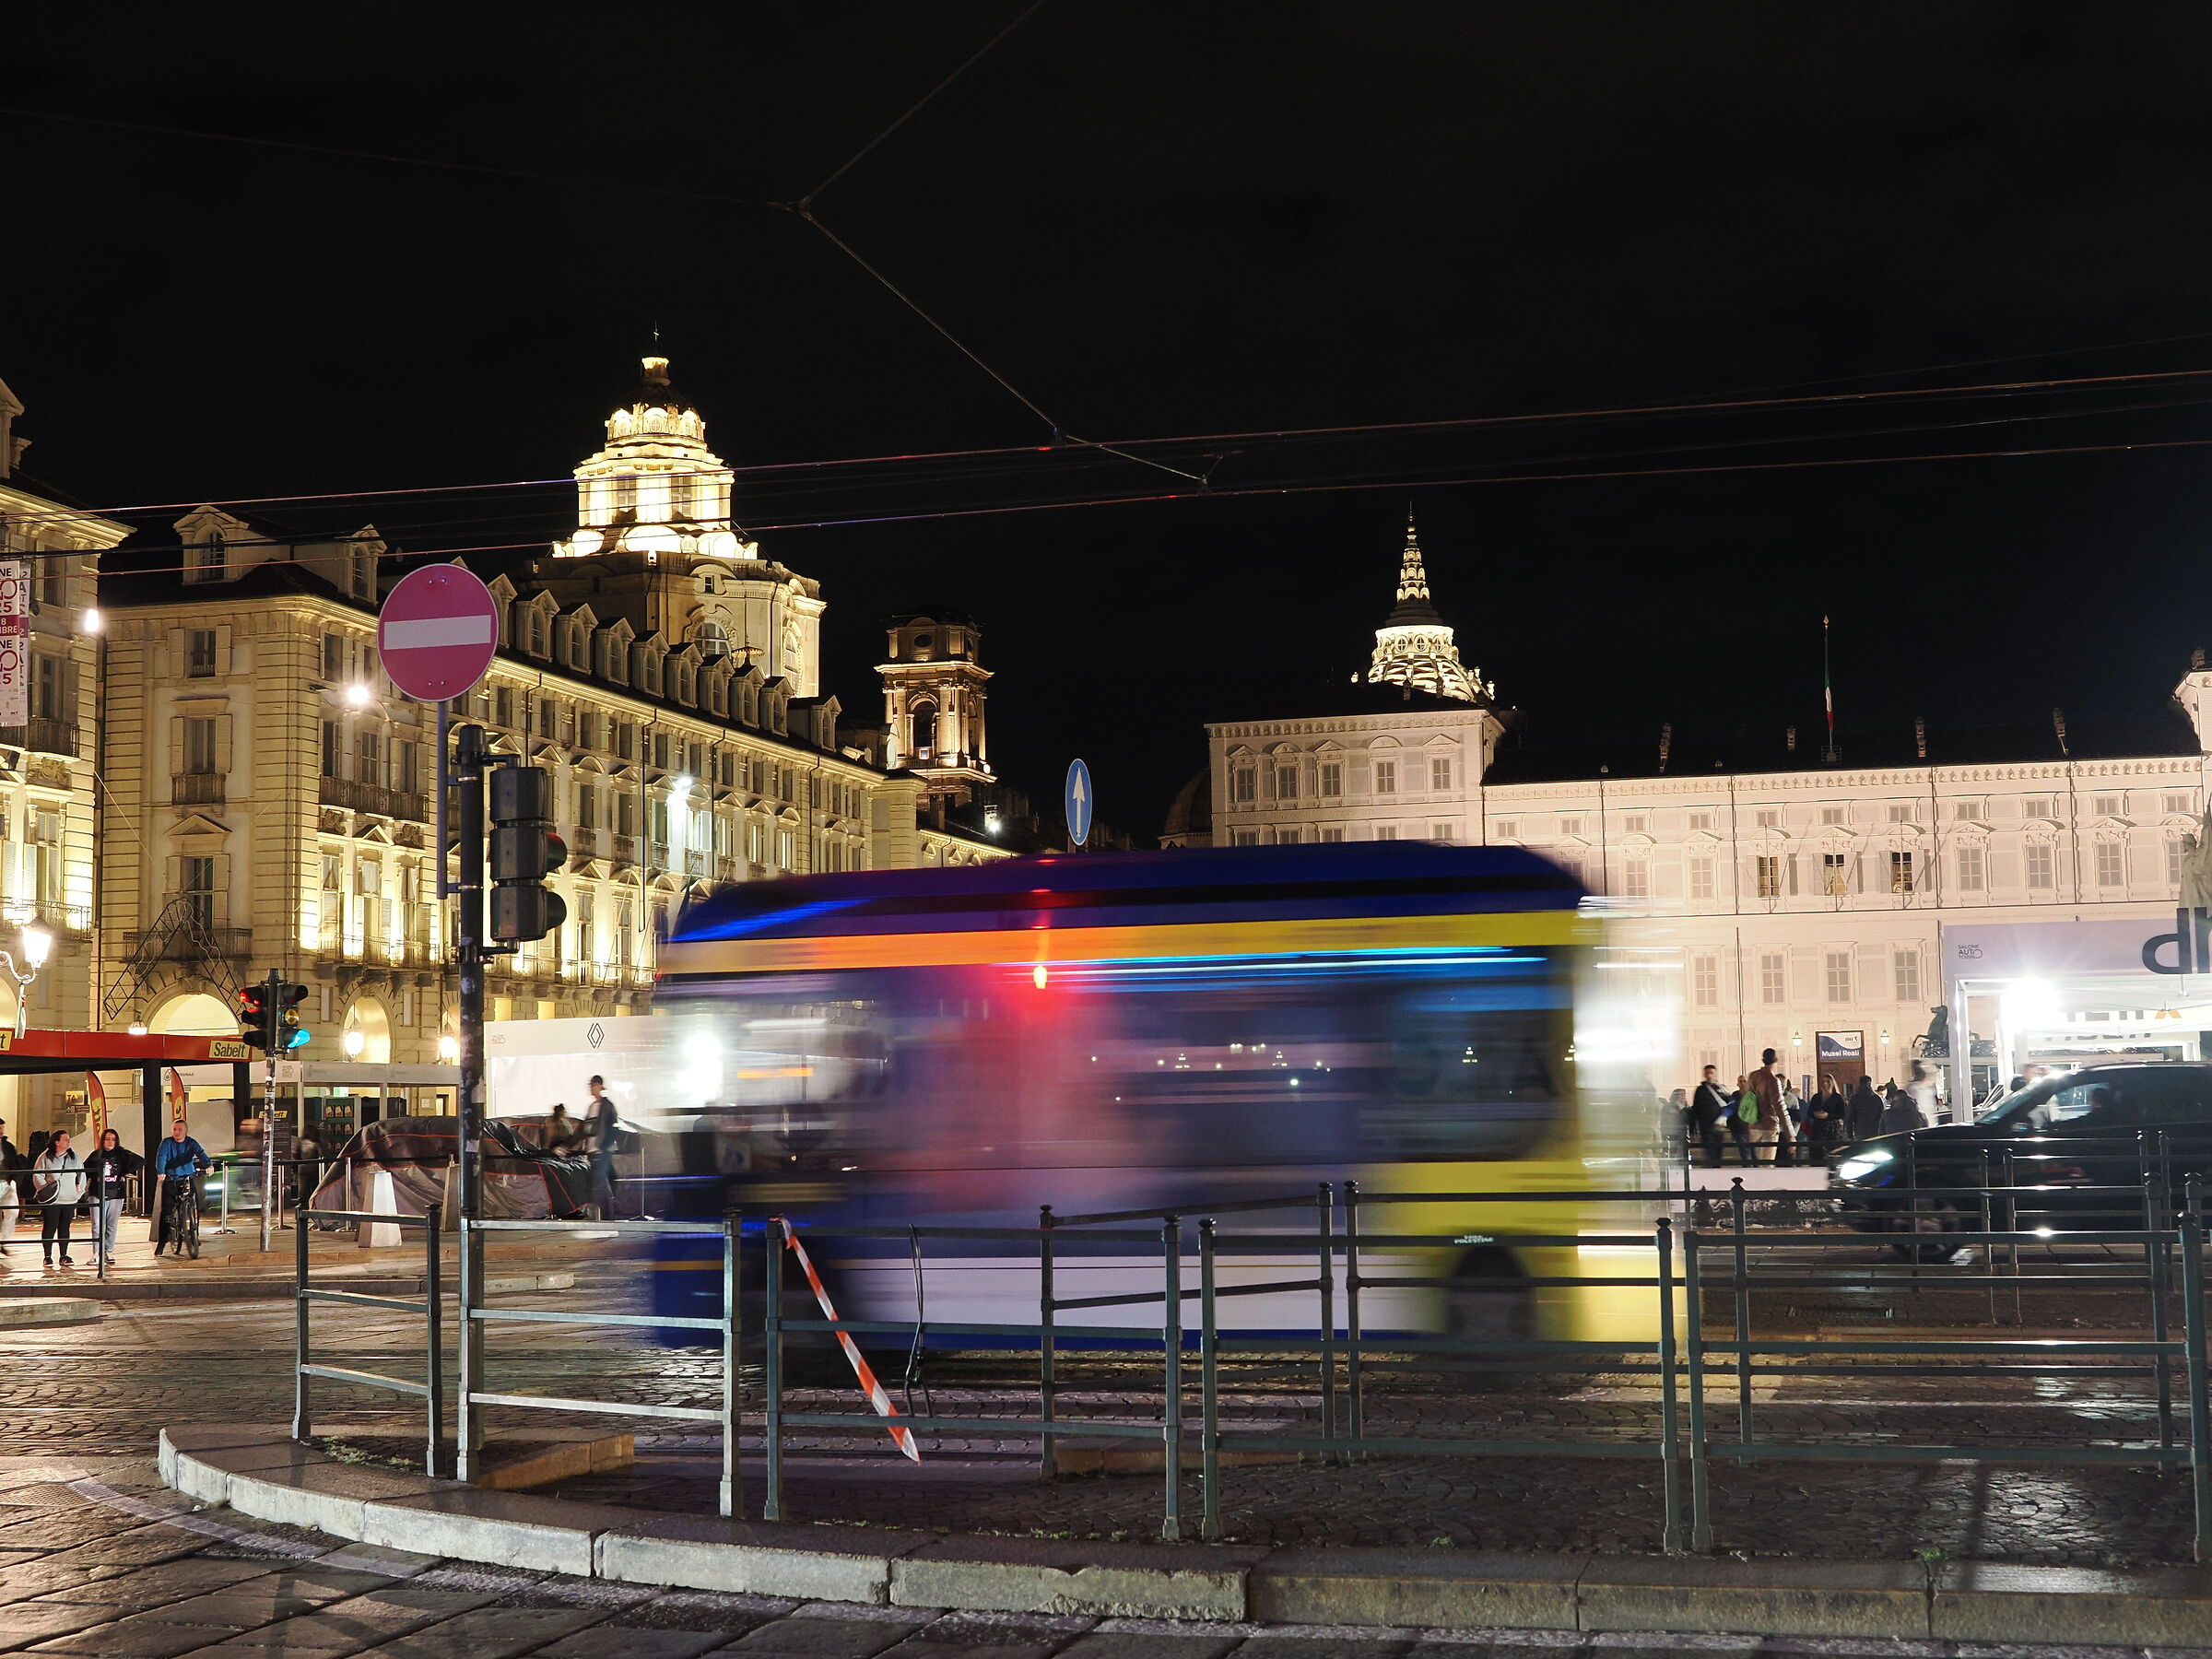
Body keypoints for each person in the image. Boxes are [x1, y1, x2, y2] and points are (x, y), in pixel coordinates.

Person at [81, 1129, 143, 1264]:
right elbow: (85, 1170)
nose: (110, 1142)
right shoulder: (96, 1155)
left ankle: (108, 1251)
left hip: (116, 1194)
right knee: (97, 1224)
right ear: (102, 1140)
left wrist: (124, 1172)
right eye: (107, 1139)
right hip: (97, 1193)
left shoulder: (122, 1154)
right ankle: (96, 1252)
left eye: (113, 1139)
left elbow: (140, 1161)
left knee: (111, 1224)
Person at [152, 1118, 210, 1259]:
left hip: (187, 1177)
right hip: (171, 1179)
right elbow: (162, 1157)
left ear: (186, 1131)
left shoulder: (191, 1142)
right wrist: (161, 1172)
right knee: (166, 1212)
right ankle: (162, 1242)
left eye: (180, 1130)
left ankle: (194, 1234)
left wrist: (208, 1165)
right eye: (174, 1129)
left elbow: (200, 1153)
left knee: (197, 1203)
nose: (177, 1132)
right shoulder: (166, 1143)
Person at [33, 1130, 85, 1268]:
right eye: (65, 1139)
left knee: (64, 1227)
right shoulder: (45, 1157)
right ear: (57, 1142)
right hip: (53, 1200)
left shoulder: (75, 1157)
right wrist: (45, 1191)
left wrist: (78, 1193)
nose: (69, 1141)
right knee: (50, 1226)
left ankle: (64, 1255)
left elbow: (81, 1174)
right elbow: (37, 1175)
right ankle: (47, 1256)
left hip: (69, 1199)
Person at [584, 1076, 620, 1220]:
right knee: (606, 1179)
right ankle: (606, 1213)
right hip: (594, 1150)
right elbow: (585, 1129)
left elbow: (614, 1127)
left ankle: (606, 1216)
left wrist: (603, 1145)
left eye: (593, 1085)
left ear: (600, 1086)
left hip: (602, 1150)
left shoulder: (607, 1106)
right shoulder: (592, 1107)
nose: (591, 1088)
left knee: (600, 1181)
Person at [1741, 1050, 1784, 1166]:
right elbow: (1780, 1107)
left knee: (1758, 1163)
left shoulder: (1753, 1076)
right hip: (1769, 1126)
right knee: (1767, 1164)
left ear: (1763, 1060)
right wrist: (1790, 1135)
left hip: (1754, 1125)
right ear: (1776, 1060)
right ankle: (1765, 1183)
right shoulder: (1773, 1080)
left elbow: (1747, 1098)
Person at [1689, 1066, 1732, 1168]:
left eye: (1711, 1073)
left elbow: (1731, 1105)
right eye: (1707, 1073)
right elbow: (1696, 1108)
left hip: (1719, 1126)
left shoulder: (1722, 1089)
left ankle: (1716, 1169)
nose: (1709, 1075)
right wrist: (1693, 1126)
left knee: (1718, 1151)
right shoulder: (1700, 1090)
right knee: (1710, 1152)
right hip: (1706, 1127)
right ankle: (1711, 1170)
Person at [1801, 1074, 1846, 1159]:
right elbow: (1810, 1112)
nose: (1825, 1084)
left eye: (1828, 1082)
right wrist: (1815, 1114)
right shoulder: (1816, 1097)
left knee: (1832, 1154)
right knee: (1817, 1154)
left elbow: (1842, 1114)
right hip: (1817, 1130)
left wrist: (1828, 1115)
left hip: (1833, 1131)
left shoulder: (1837, 1098)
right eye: (1823, 1082)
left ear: (1832, 1083)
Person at [0, 1116, 21, 1253]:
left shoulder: (8, 1146)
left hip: (7, 1182)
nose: (1, 1130)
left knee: (12, 1210)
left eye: (2, 1127)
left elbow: (16, 1163)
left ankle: (2, 1239)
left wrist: (15, 1179)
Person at [1845, 1076, 1885, 1142]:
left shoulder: (1854, 1098)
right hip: (1874, 1130)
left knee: (1861, 1150)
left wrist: (1850, 1135)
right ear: (1870, 1084)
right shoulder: (1876, 1098)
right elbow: (1881, 1115)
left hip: (1860, 1130)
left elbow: (1849, 1117)